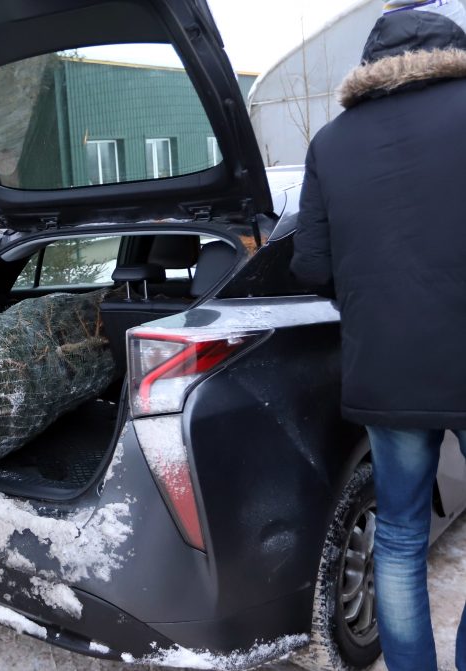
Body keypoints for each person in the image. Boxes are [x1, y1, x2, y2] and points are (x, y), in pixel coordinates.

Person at [290, 2, 466, 669]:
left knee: (397, 537)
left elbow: (311, 265)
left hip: (387, 370)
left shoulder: (331, 143)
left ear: (371, 64)